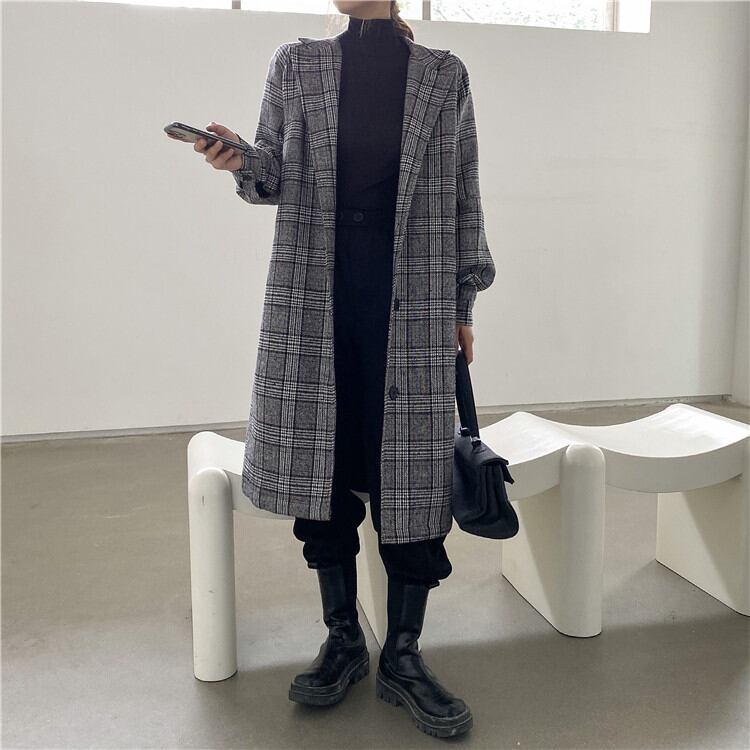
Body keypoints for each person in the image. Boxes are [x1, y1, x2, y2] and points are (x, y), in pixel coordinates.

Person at [192, 0, 494, 739]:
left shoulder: (443, 75)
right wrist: (240, 161)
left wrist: (463, 304)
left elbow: (464, 190)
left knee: (413, 472)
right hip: (313, 292)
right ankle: (344, 639)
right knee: (320, 465)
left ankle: (404, 654)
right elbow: (272, 177)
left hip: (414, 293)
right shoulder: (296, 63)